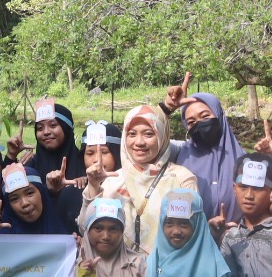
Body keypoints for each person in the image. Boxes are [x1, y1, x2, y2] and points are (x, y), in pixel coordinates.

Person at [82, 104, 199, 251]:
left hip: (167, 264)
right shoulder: (113, 180)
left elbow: (193, 233)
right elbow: (85, 228)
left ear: (162, 136)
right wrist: (93, 186)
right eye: (132, 134)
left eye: (148, 134)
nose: (139, 142)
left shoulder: (181, 179)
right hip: (120, 265)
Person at [163, 85, 247, 222]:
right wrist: (166, 109)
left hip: (236, 235)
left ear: (219, 115)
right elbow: (142, 140)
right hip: (190, 235)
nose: (199, 124)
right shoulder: (178, 153)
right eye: (191, 122)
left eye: (205, 116)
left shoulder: (245, 161)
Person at [0, 163, 71, 236]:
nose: (24, 203)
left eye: (29, 193)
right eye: (14, 199)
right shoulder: (3, 236)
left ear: (42, 193)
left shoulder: (66, 223)